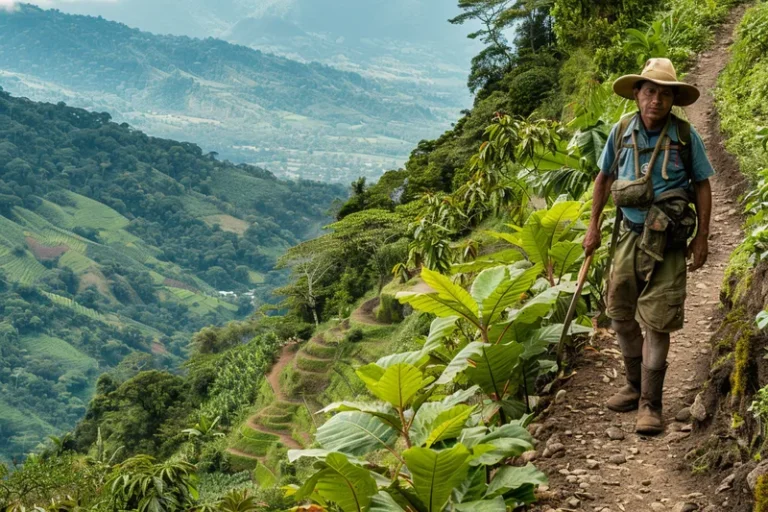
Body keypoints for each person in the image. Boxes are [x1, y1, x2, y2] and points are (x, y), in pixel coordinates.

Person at [583, 58, 713, 435]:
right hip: (627, 235)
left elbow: (702, 184)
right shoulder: (621, 131)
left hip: (669, 244)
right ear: (638, 94)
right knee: (621, 316)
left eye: (665, 93)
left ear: (674, 99)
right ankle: (633, 385)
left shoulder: (685, 136)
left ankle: (651, 405)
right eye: (650, 91)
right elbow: (604, 177)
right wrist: (592, 227)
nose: (656, 99)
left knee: (657, 322)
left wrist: (702, 236)